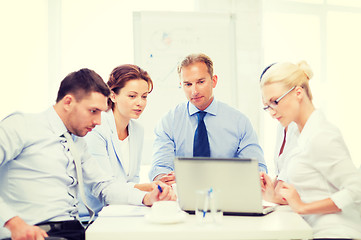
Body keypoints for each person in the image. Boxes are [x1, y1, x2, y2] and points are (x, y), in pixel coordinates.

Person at [0, 68, 175, 240]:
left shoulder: (77, 143)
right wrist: (14, 223)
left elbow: (104, 186)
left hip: (74, 231)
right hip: (33, 232)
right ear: (68, 102)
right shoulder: (21, 126)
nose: (98, 121)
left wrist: (146, 197)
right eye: (93, 111)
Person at [259, 61, 361, 238]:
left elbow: (356, 189)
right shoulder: (299, 135)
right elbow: (311, 190)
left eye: (275, 102)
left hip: (336, 232)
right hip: (310, 229)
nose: (272, 112)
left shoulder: (322, 135)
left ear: (298, 92)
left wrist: (303, 207)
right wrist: (272, 194)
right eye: (268, 106)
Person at [149, 53, 267, 184]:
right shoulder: (169, 122)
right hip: (181, 196)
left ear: (214, 81)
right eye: (188, 84)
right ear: (181, 85)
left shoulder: (239, 122)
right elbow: (159, 169)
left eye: (200, 82)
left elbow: (257, 170)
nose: (194, 91)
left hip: (227, 196)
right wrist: (165, 179)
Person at [79, 64, 161, 221]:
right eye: (132, 96)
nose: (140, 103)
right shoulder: (97, 128)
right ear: (113, 95)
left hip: (121, 212)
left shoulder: (137, 131)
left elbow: (132, 180)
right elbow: (105, 188)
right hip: (93, 217)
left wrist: (152, 188)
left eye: (144, 96)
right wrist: (148, 191)